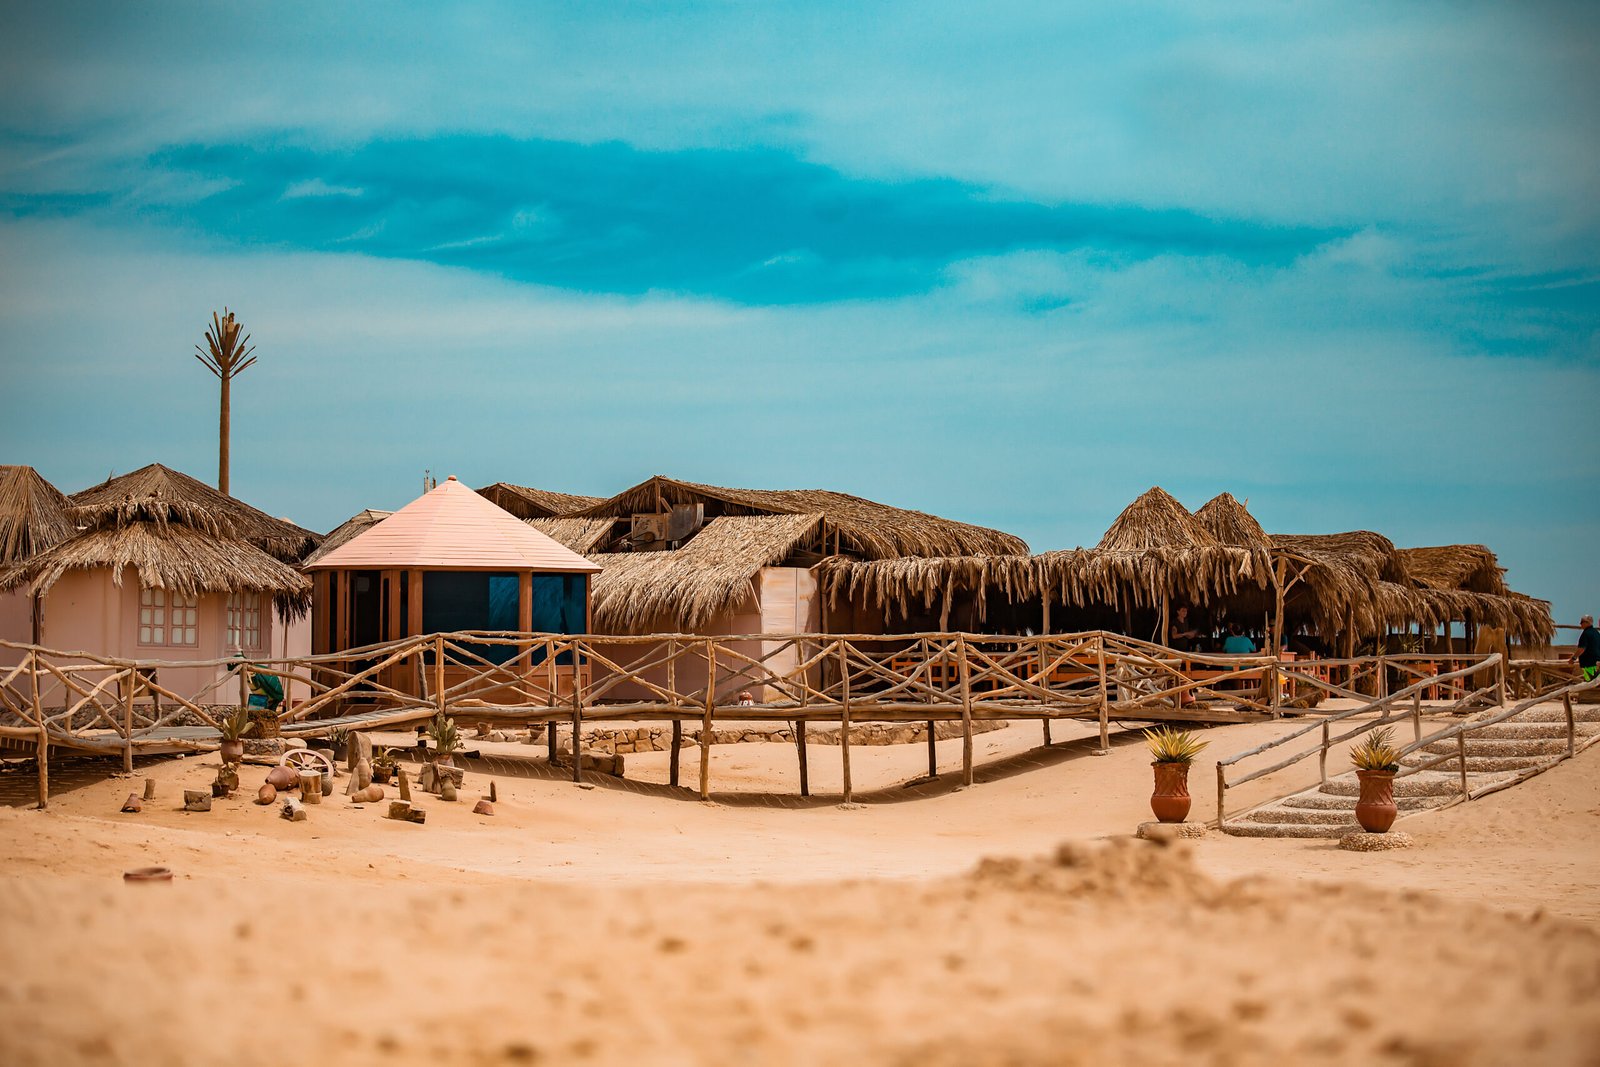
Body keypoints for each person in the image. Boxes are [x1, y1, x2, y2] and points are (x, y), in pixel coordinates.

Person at [1571, 615, 1600, 682]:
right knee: (1595, 683)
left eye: (1582, 622)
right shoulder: (1596, 633)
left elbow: (1581, 648)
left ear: (1587, 623)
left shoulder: (1586, 633)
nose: (1580, 624)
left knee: (1590, 684)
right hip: (1596, 662)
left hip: (1589, 664)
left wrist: (1573, 658)